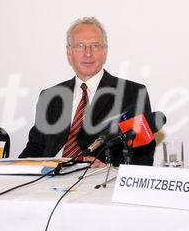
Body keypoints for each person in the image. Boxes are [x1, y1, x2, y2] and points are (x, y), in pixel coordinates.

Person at [19, 17, 155, 167]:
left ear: (105, 51)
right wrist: (10, 167)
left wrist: (107, 167)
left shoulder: (132, 94)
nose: (88, 53)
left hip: (99, 183)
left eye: (95, 46)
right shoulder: (50, 96)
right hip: (49, 180)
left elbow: (143, 157)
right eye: (80, 46)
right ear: (69, 52)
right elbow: (35, 149)